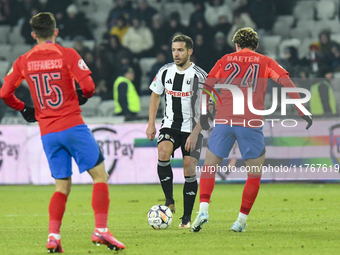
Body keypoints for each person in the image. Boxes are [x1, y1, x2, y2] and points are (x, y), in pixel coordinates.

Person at [0, 12, 125, 252]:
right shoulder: (67, 54)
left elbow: (5, 93)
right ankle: (101, 230)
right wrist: (82, 96)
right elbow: (89, 86)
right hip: (72, 125)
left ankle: (54, 236)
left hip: (47, 132)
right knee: (100, 176)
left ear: (33, 34)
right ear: (56, 32)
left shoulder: (23, 60)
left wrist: (25, 109)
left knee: (62, 186)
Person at [191, 27, 313, 233]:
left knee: (209, 167)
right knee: (254, 175)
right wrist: (301, 109)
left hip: (224, 120)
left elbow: (207, 87)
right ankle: (240, 222)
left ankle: (203, 209)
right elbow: (286, 81)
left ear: (236, 45)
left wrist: (204, 114)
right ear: (255, 46)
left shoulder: (225, 60)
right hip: (250, 122)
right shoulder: (265, 61)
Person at [146, 35, 207, 228]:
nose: (176, 54)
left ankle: (186, 218)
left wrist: (196, 133)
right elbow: (155, 96)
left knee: (189, 168)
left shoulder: (199, 75)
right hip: (170, 125)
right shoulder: (165, 71)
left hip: (193, 128)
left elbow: (208, 108)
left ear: (190, 51)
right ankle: (169, 200)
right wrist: (151, 124)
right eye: (174, 50)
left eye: (180, 50)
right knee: (163, 152)